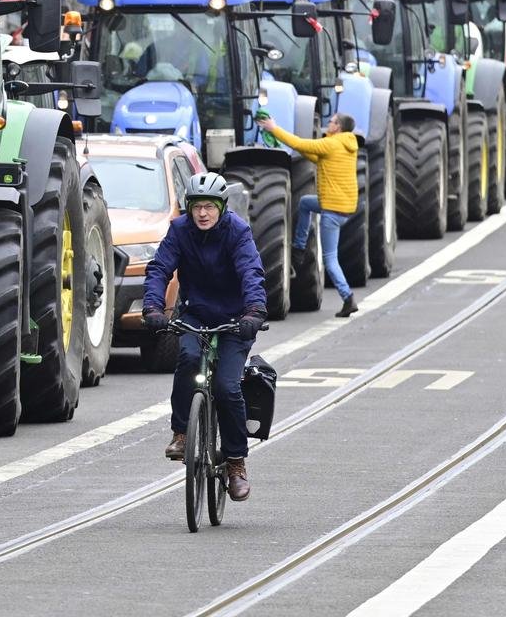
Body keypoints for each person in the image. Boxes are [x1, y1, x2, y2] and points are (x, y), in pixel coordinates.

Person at [142, 172, 267, 502]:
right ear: (189, 207)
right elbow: (159, 268)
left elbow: (251, 272)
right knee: (187, 359)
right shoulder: (180, 230)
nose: (202, 213)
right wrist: (153, 307)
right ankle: (181, 433)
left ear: (222, 207)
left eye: (209, 206)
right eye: (196, 206)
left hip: (235, 320)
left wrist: (254, 312)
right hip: (194, 314)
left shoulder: (237, 232)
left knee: (227, 387)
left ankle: (236, 464)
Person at [256, 111, 360, 318]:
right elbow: (314, 156)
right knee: (305, 203)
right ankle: (299, 247)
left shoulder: (331, 144)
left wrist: (273, 128)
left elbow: (299, 144)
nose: (327, 124)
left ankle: (348, 297)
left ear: (338, 127)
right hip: (343, 205)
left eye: (331, 122)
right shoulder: (346, 145)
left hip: (332, 209)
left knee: (330, 259)